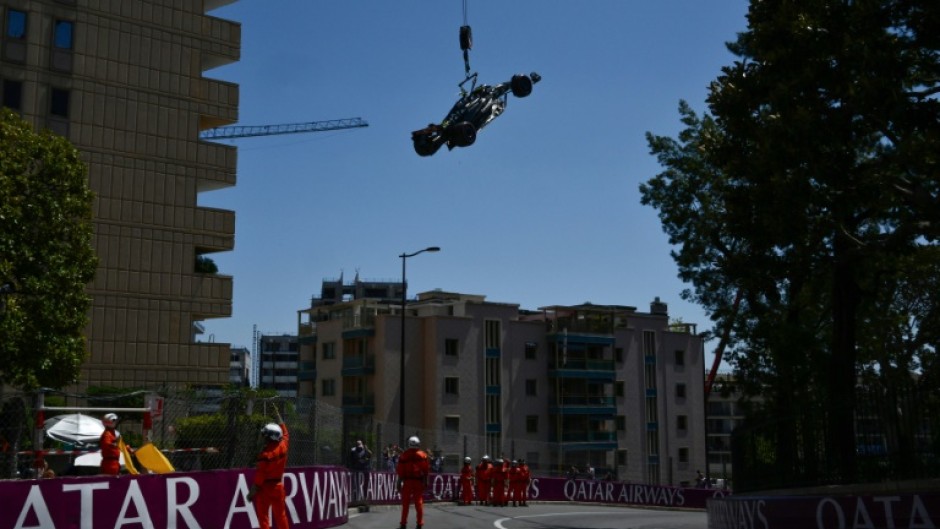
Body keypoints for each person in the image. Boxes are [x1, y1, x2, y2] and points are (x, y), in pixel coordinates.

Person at [248, 406, 290, 529]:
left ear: (269, 437)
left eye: (265, 436)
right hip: (278, 486)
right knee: (281, 515)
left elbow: (260, 475)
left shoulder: (265, 455)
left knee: (264, 517)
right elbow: (286, 433)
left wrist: (253, 491)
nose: (263, 438)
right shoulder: (283, 446)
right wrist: (278, 415)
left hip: (265, 488)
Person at [396, 436, 430, 529]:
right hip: (418, 481)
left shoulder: (404, 455)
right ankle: (419, 523)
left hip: (407, 481)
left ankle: (403, 524)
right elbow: (426, 470)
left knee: (405, 504)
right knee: (418, 503)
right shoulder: (423, 455)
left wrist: (398, 483)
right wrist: (426, 481)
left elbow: (400, 471)